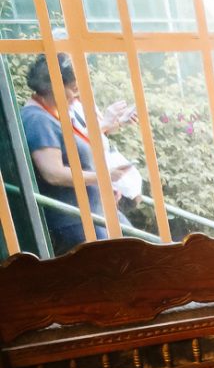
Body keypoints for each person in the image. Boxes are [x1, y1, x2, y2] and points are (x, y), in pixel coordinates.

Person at [21, 53, 134, 255]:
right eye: (73, 90)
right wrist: (103, 177)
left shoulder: (52, 116)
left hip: (96, 215)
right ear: (53, 86)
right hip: (75, 224)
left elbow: (78, 151)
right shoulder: (37, 120)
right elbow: (53, 173)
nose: (76, 97)